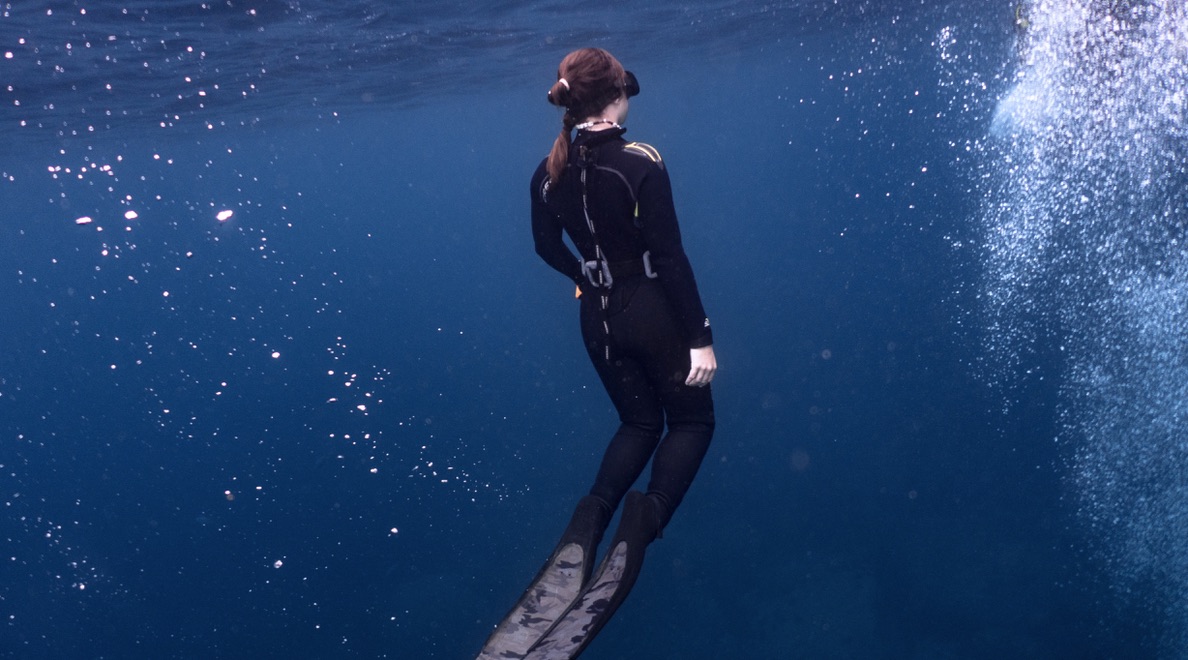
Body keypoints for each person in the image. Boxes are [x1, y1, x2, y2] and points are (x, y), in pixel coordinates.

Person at [477, 47, 717, 659]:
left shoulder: (547, 169)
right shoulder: (640, 162)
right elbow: (669, 257)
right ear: (617, 96)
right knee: (691, 420)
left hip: (598, 319)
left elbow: (542, 245)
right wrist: (700, 338)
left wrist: (584, 272)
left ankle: (590, 520)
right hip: (651, 312)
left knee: (638, 422)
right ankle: (644, 519)